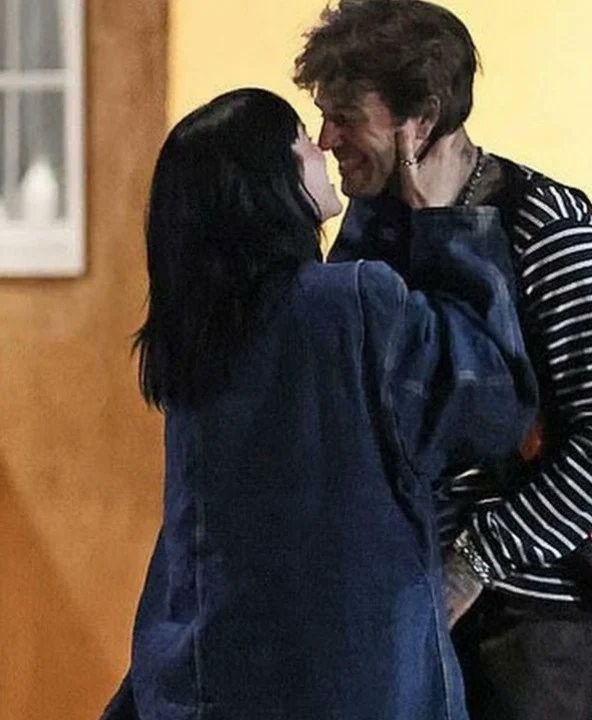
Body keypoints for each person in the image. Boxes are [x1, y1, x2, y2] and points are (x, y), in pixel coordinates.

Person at [98, 87, 536, 720]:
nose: (322, 148)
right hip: (355, 688)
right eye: (302, 139)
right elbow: (490, 405)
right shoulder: (347, 305)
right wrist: (444, 225)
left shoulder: (196, 329)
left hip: (199, 680)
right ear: (271, 182)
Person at [294, 2, 592, 719]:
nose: (327, 138)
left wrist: (474, 562)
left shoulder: (544, 224)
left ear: (422, 118)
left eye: (345, 117)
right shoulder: (377, 227)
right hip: (417, 609)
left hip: (538, 625)